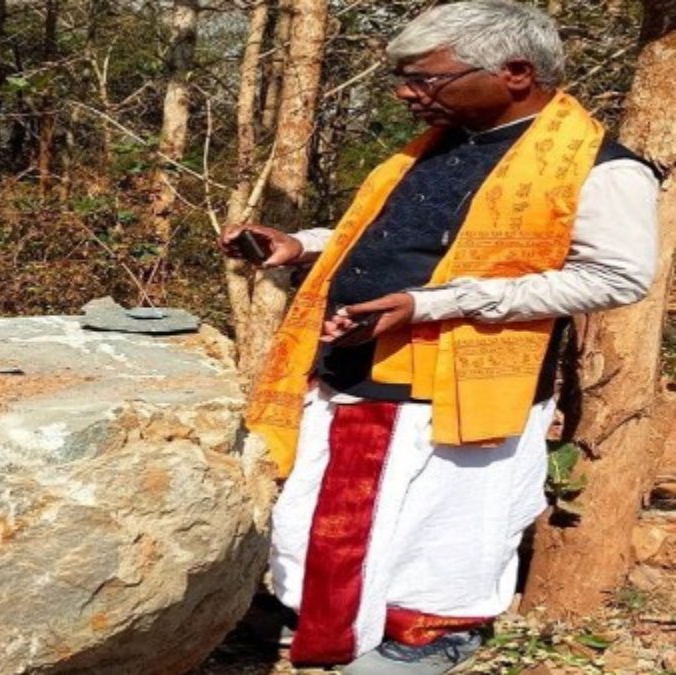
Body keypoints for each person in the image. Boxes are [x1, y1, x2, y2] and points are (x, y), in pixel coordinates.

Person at [220, 2, 659, 674]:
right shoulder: (439, 144)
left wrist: (435, 305)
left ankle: (431, 635)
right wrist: (300, 245)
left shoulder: (603, 167)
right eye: (404, 77)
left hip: (462, 383)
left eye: (426, 78)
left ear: (516, 72)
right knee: (327, 504)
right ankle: (321, 616)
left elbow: (616, 277)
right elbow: (400, 236)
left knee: (445, 517)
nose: (406, 92)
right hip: (358, 360)